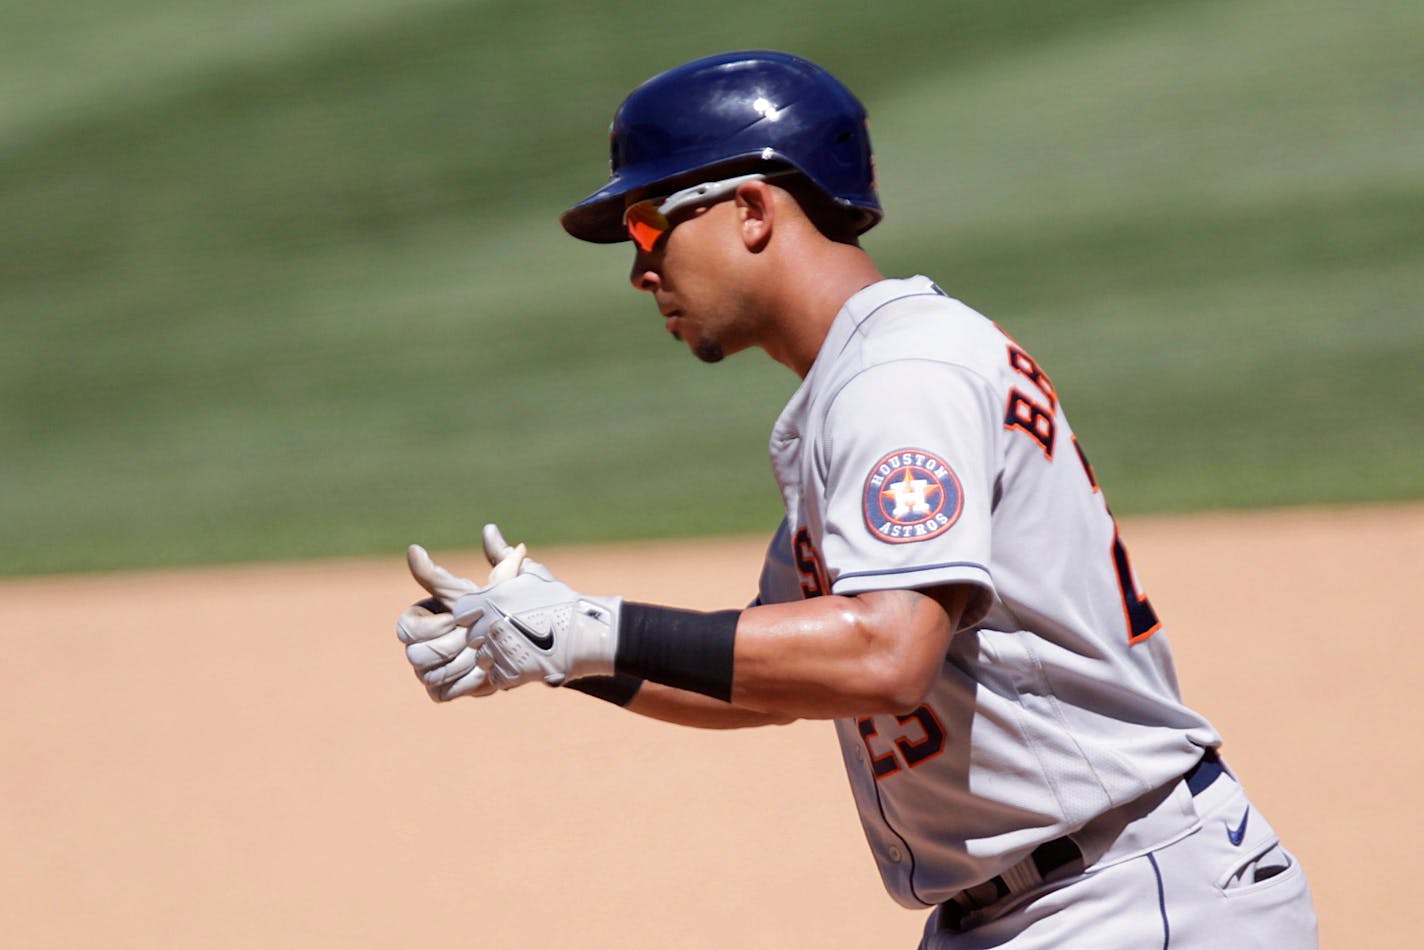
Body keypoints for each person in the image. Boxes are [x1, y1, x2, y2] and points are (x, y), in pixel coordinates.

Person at [395, 50, 1318, 947]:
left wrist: (598, 626)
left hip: (1127, 897)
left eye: (647, 225)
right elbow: (765, 682)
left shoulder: (898, 375)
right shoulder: (861, 382)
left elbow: (884, 654)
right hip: (1053, 899)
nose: (640, 271)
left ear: (752, 209)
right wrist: (557, 647)